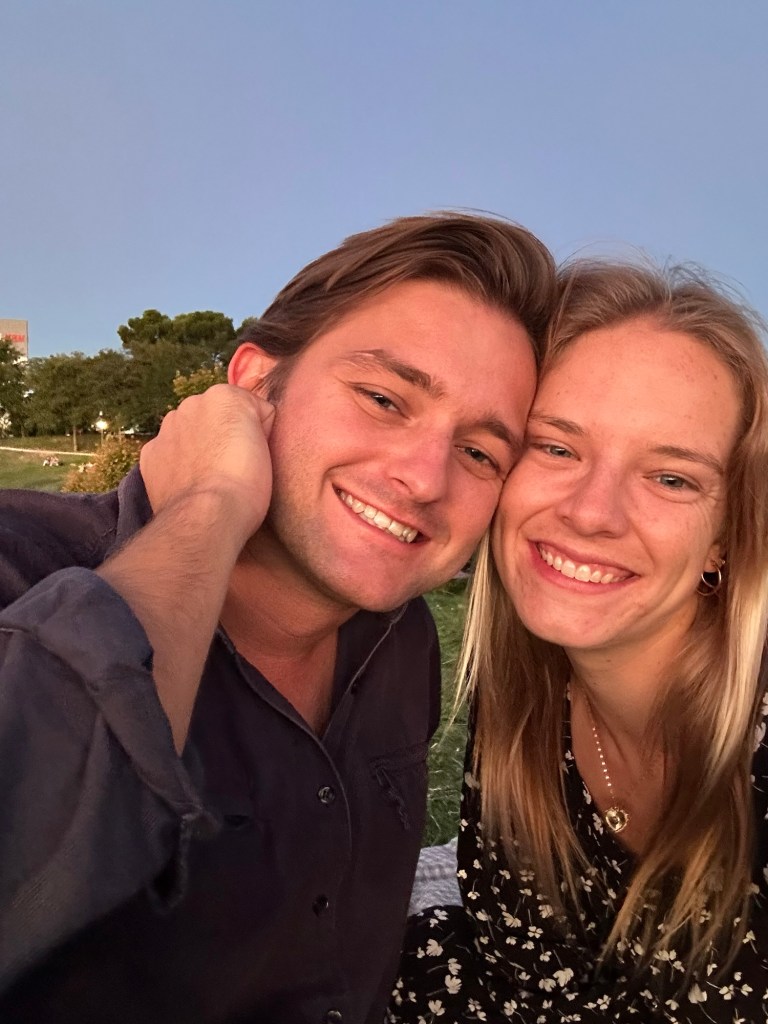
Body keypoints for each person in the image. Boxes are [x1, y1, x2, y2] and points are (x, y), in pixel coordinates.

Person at [0, 213, 556, 1023]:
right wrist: (213, 503)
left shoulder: (400, 642)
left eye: (479, 453)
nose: (426, 478)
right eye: (383, 399)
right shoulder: (22, 567)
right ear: (256, 385)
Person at [390, 259, 768, 1022]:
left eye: (671, 478)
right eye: (557, 448)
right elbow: (519, 975)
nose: (592, 512)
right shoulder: (526, 700)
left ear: (725, 539)